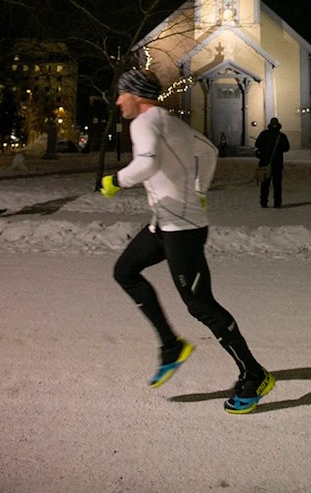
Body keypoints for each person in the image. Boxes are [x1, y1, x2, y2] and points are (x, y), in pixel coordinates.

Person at [100, 68, 275, 415]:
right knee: (125, 271)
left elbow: (146, 164)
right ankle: (171, 346)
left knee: (200, 305)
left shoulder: (144, 122)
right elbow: (208, 151)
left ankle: (254, 375)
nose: (118, 101)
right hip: (165, 224)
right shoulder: (173, 123)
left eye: (123, 94)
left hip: (182, 228)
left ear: (137, 95)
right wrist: (199, 191)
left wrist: (116, 180)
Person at [255, 117, 290, 208]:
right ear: (278, 125)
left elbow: (257, 145)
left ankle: (263, 202)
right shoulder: (281, 136)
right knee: (277, 184)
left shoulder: (264, 134)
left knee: (265, 184)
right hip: (277, 164)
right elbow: (286, 148)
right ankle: (277, 203)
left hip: (265, 164)